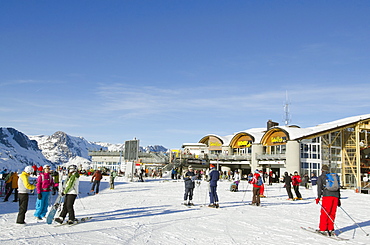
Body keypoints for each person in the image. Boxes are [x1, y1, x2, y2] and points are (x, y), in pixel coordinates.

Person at [316, 165, 341, 236]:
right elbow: (338, 188)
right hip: (335, 196)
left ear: (322, 170)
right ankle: (331, 229)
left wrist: (318, 197)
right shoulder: (334, 177)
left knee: (325, 212)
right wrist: (339, 198)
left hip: (327, 196)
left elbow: (319, 187)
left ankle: (323, 229)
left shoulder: (321, 177)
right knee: (332, 213)